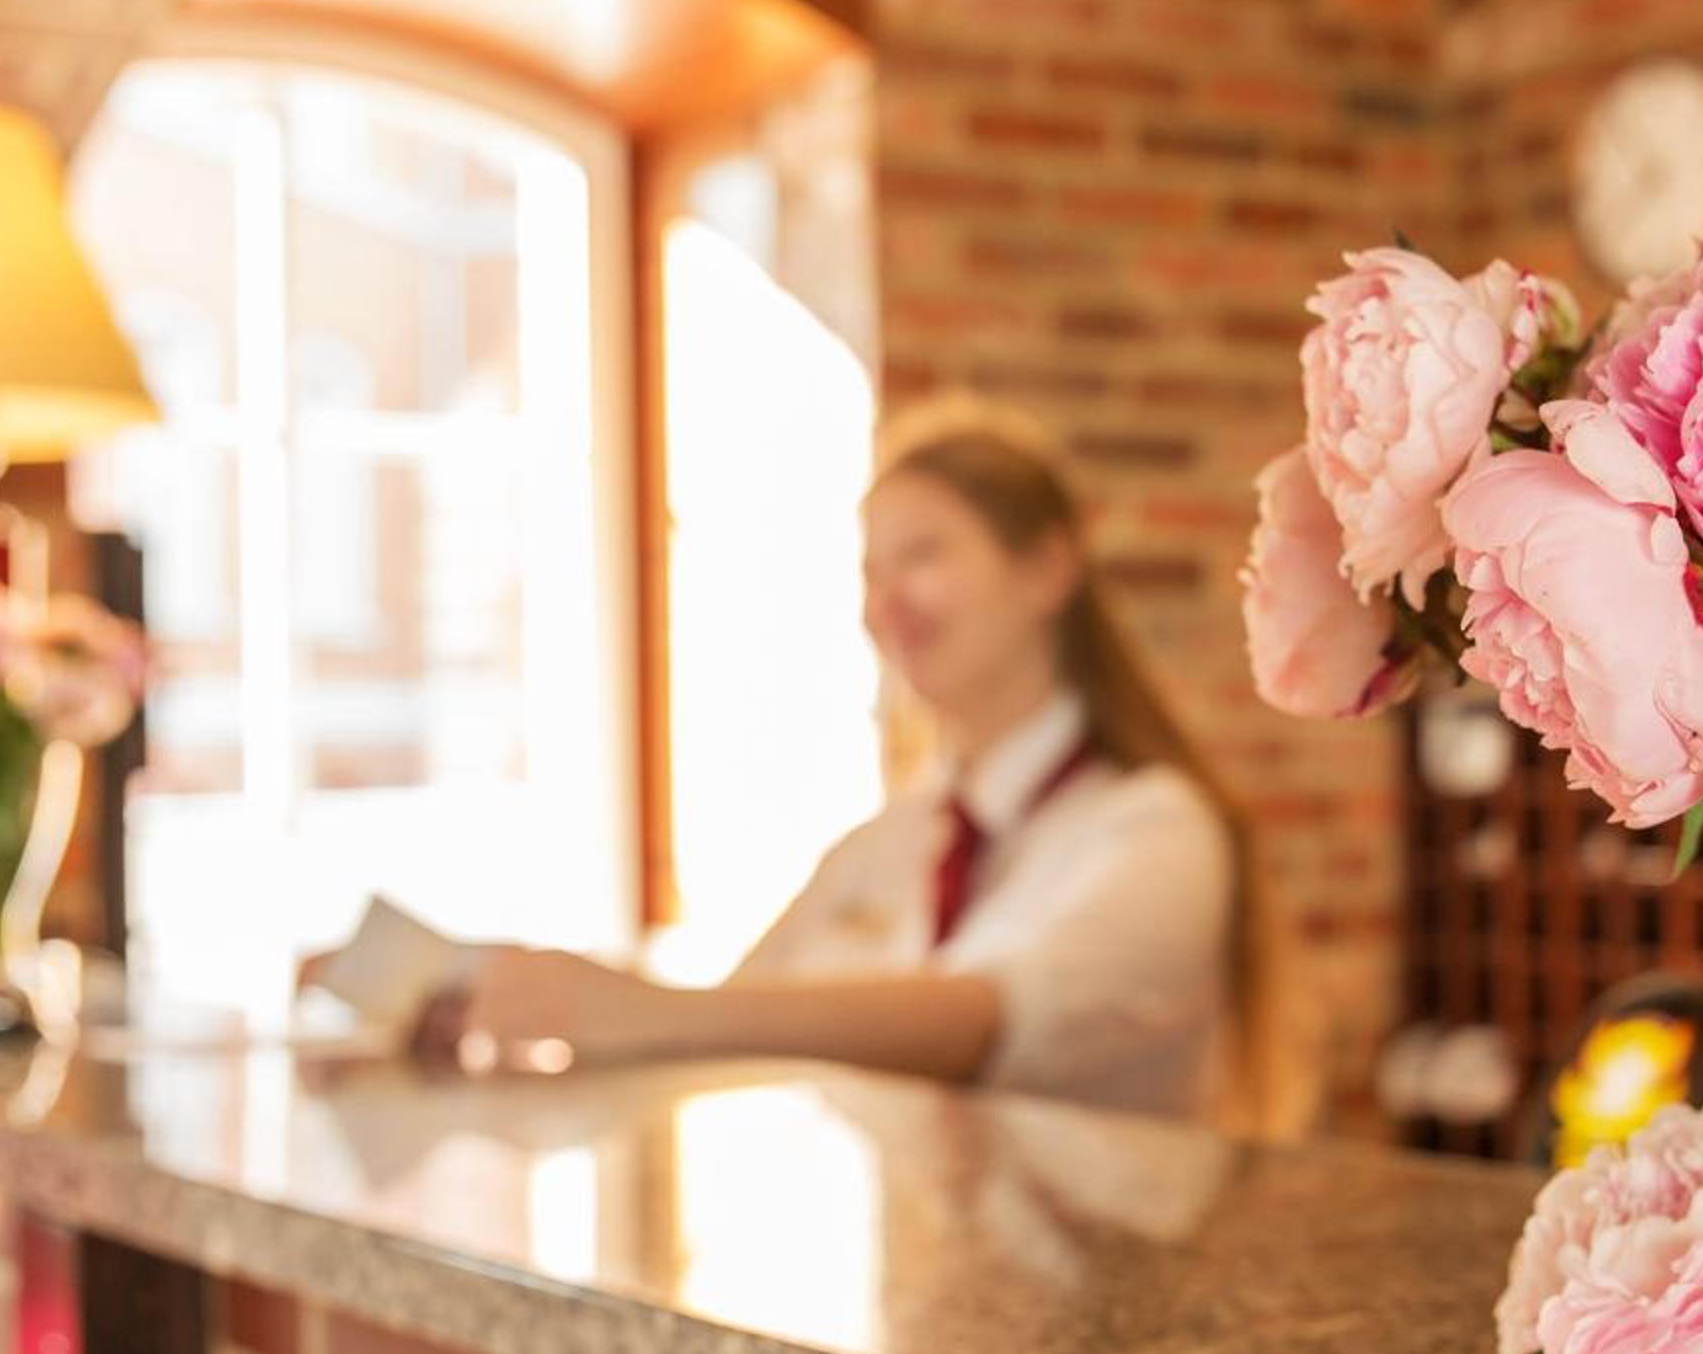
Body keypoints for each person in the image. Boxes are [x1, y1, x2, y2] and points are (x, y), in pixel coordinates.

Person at [378, 406, 1274, 1127]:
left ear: (1045, 568)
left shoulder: (1157, 830)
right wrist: (523, 1001)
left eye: (922, 556)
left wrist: (640, 1011)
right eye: (869, 572)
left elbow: (984, 1018)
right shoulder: (889, 842)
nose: (885, 604)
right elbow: (742, 1012)